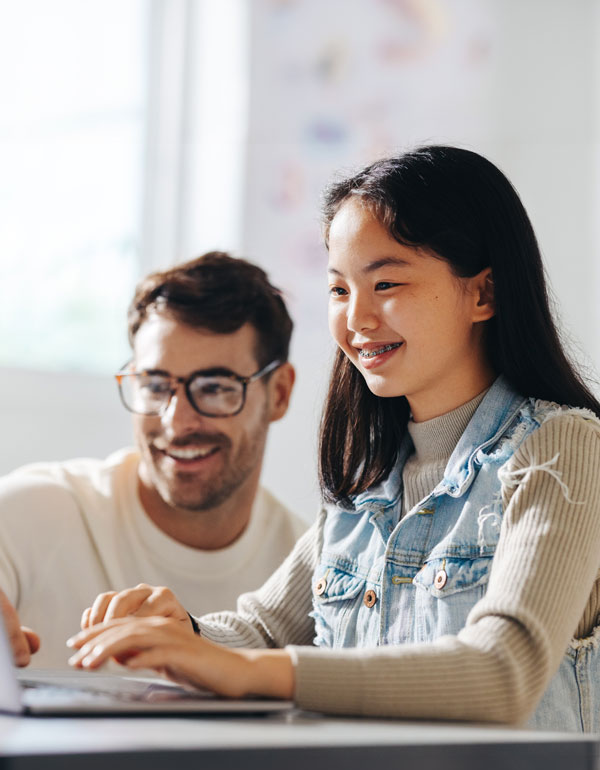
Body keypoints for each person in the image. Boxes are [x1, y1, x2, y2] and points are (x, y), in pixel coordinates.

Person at [67, 146, 600, 731]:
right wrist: (182, 633)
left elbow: (505, 671)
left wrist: (250, 671)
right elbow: (266, 632)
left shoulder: (562, 449)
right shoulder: (367, 480)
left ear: (484, 294)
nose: (357, 319)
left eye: (387, 283)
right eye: (340, 290)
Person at [0, 252, 307, 667]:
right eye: (156, 385)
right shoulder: (31, 512)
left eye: (215, 387)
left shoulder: (309, 569)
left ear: (280, 394)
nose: (177, 422)